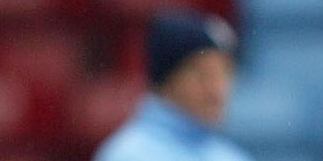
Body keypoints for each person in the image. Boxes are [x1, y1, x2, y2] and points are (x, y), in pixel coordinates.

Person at [94, 9, 253, 161]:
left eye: (224, 73)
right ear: (167, 78)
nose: (216, 88)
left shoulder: (230, 156)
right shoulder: (128, 155)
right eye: (201, 74)